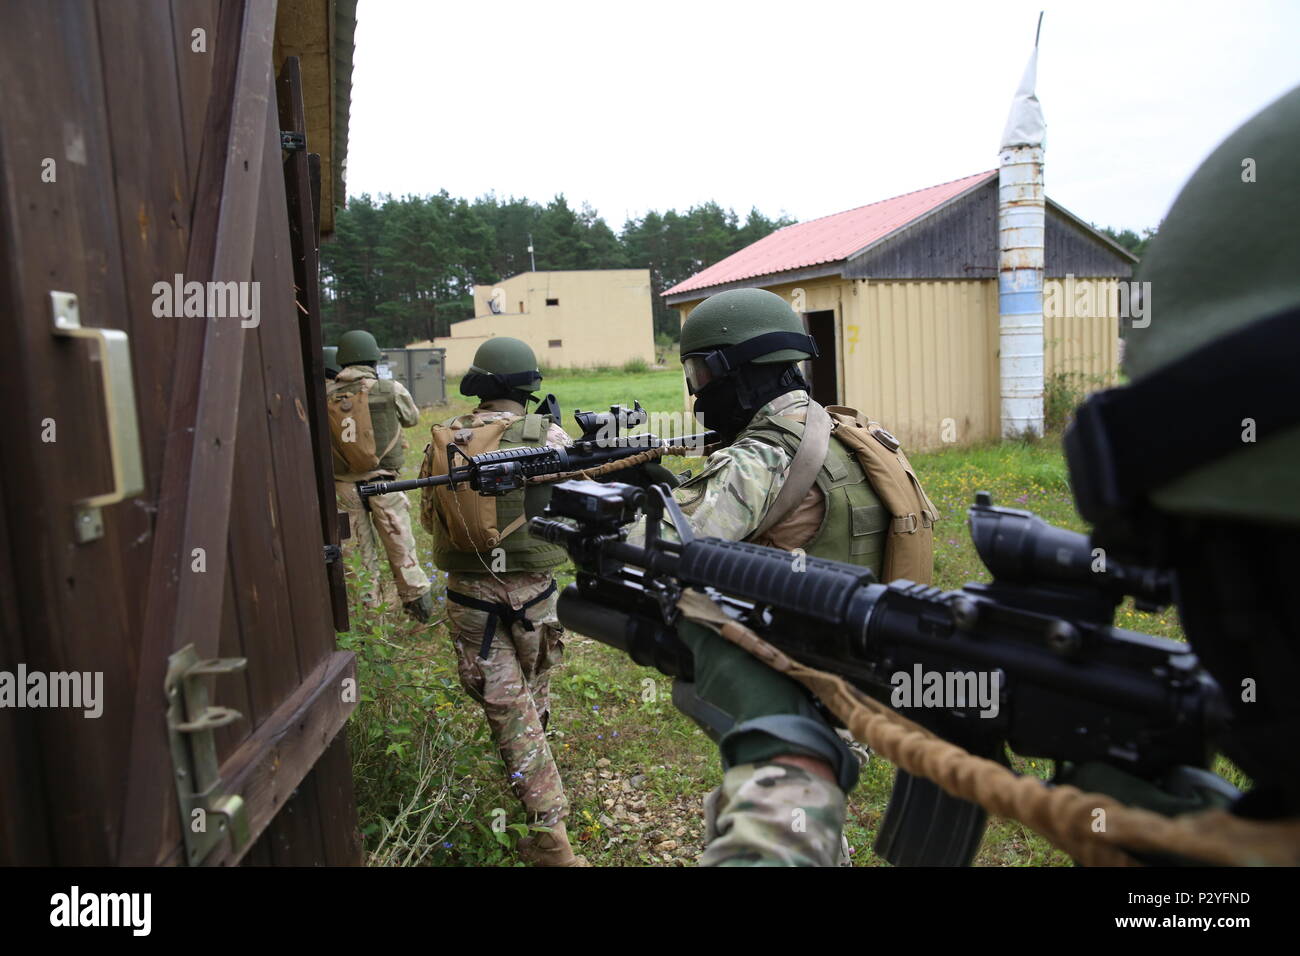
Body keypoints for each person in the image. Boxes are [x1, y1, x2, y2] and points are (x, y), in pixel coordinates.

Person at [688, 82, 1300, 865]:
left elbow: (686, 539)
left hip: (813, 656)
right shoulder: (851, 429)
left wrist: (782, 763)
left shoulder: (763, 453)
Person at [637, 287, 935, 865]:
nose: (697, 392)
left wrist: (637, 500)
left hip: (795, 677)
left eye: (699, 372)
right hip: (862, 658)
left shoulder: (764, 454)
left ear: (737, 374)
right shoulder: (851, 432)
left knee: (779, 830)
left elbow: (655, 547)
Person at [423, 337, 587, 866]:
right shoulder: (550, 434)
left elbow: (430, 519)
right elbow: (583, 506)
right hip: (535, 594)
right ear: (528, 385)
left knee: (506, 706)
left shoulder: (447, 440)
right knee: (527, 698)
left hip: (469, 598)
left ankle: (542, 822)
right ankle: (551, 838)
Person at [330, 330, 433, 622]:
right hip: (384, 483)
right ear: (374, 358)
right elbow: (411, 419)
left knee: (357, 556)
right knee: (402, 547)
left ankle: (369, 619)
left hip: (344, 488)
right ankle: (418, 609)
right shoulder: (389, 388)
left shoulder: (328, 396)